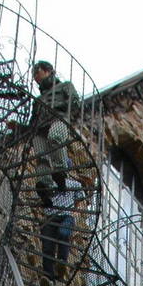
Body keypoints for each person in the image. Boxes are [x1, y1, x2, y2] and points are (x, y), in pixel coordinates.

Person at [29, 59, 81, 202]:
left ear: (48, 71)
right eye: (33, 75)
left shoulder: (65, 86)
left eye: (37, 72)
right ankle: (45, 186)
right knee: (41, 157)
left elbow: (75, 102)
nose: (35, 77)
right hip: (39, 129)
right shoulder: (38, 99)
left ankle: (60, 171)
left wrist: (57, 107)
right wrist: (18, 128)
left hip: (58, 119)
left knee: (55, 137)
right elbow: (32, 122)